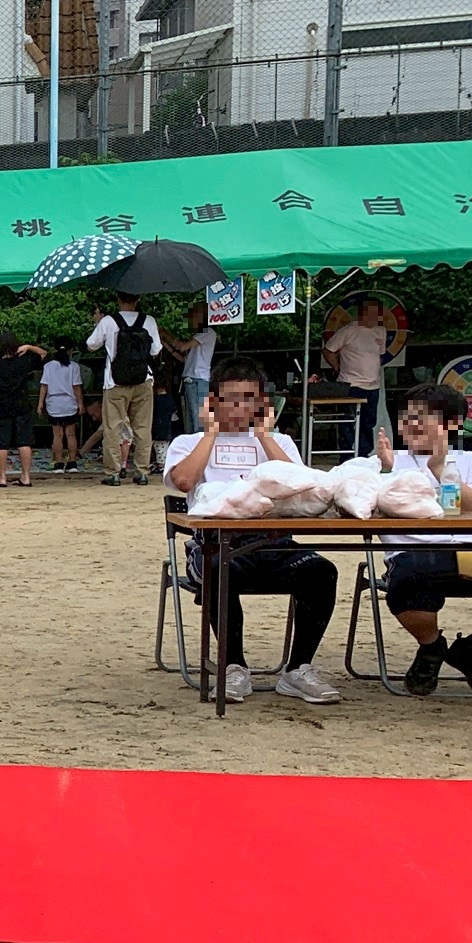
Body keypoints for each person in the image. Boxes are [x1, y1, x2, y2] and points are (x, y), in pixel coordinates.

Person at [164, 357, 342, 705]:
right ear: (212, 401)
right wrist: (212, 433)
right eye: (231, 398)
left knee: (322, 572)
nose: (240, 406)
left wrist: (264, 436)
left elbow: (305, 488)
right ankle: (233, 667)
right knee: (219, 569)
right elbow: (183, 480)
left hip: (275, 543)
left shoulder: (280, 443)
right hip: (216, 545)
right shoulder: (189, 441)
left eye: (250, 398)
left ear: (263, 403)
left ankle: (298, 668)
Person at [373, 382, 472, 696]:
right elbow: (360, 505)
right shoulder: (387, 459)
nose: (411, 427)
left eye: (422, 420)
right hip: (415, 552)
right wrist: (383, 473)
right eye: (406, 419)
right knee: (409, 578)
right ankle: (431, 646)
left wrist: (441, 469)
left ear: (453, 425)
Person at [86, 292, 162, 486]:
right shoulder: (149, 321)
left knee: (113, 427)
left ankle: (112, 472)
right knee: (143, 427)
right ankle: (142, 471)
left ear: (118, 299)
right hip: (143, 381)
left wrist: (98, 323)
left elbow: (91, 345)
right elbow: (155, 350)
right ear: (138, 299)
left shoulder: (109, 321)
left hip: (115, 383)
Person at [324, 296, 392, 453]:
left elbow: (379, 354)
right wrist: (336, 367)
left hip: (373, 385)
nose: (374, 317)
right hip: (350, 384)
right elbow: (328, 351)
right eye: (371, 313)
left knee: (369, 422)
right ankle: (346, 455)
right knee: (347, 421)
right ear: (362, 313)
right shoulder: (348, 330)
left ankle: (364, 454)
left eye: (377, 313)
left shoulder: (380, 331)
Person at [0, 332, 47, 488]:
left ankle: (2, 478)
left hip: (0, 407)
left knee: (1, 444)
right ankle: (26, 477)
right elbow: (44, 354)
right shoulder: (24, 361)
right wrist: (30, 347)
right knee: (24, 442)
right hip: (22, 406)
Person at [166, 303, 217, 448]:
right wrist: (168, 346)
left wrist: (164, 333)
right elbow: (184, 358)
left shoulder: (207, 333)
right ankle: (195, 447)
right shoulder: (200, 335)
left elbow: (182, 346)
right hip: (193, 379)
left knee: (197, 418)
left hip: (197, 380)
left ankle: (197, 449)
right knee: (191, 417)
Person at [38, 347, 84, 472]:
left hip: (54, 403)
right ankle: (72, 463)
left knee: (57, 436)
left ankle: (58, 463)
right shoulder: (74, 367)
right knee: (71, 435)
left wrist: (40, 403)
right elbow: (76, 387)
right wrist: (80, 403)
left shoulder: (48, 366)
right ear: (70, 351)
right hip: (69, 403)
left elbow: (44, 386)